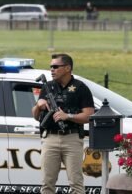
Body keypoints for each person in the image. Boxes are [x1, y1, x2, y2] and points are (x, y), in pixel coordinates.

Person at [31, 53, 95, 194]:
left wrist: (68, 116)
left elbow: (89, 115)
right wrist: (38, 105)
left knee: (76, 183)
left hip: (71, 139)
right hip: (50, 139)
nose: (52, 70)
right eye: (51, 67)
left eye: (55, 66)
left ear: (67, 68)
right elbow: (36, 117)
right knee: (47, 183)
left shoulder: (80, 88)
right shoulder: (48, 87)